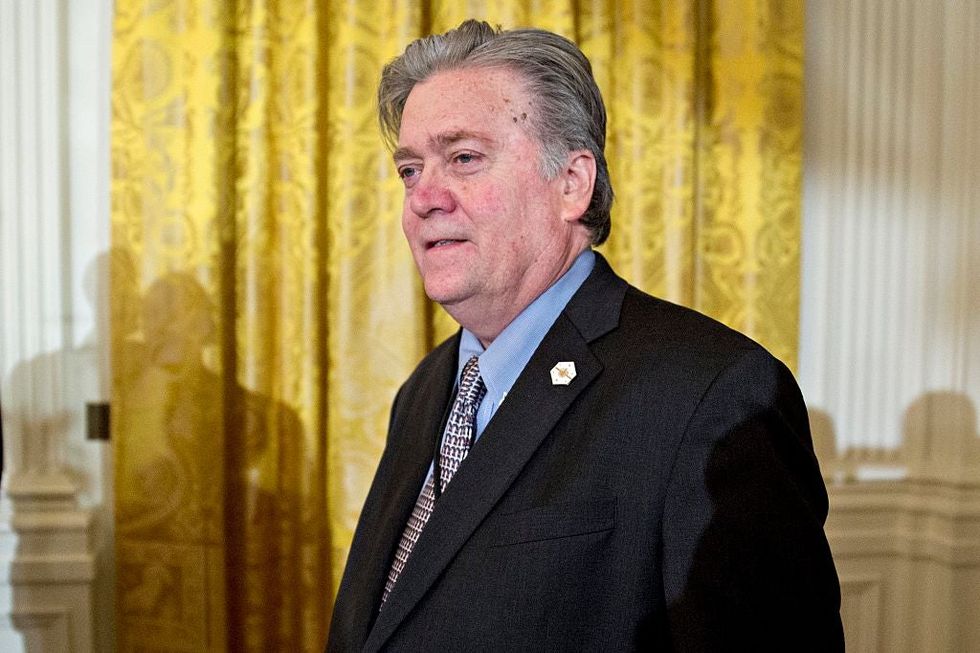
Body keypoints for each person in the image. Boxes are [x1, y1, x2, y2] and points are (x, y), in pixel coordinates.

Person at [328, 20, 843, 652]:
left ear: (573, 183)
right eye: (410, 170)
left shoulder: (709, 395)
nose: (423, 199)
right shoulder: (427, 388)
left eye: (463, 158)